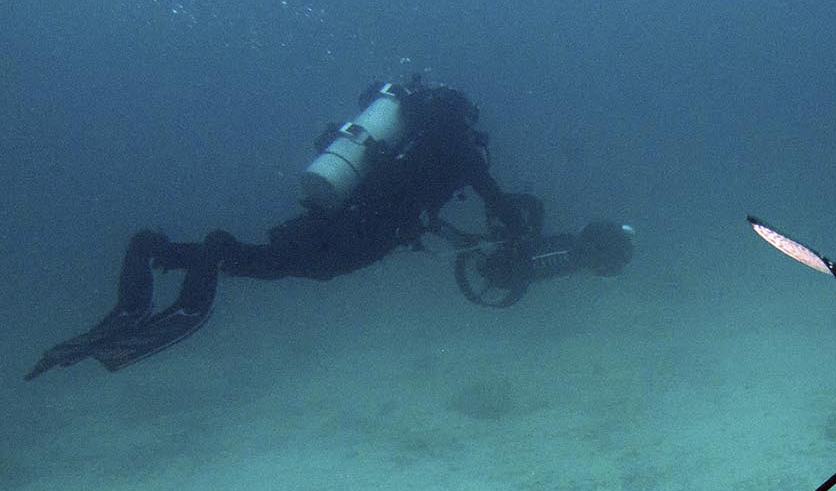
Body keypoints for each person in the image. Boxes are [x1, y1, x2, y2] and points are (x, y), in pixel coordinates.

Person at [25, 75, 633, 380]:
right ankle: (202, 253)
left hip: (337, 209)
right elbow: (497, 203)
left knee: (277, 259)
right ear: (460, 117)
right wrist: (514, 230)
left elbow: (385, 179)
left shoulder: (403, 141)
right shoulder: (458, 150)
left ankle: (164, 251)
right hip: (362, 230)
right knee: (294, 266)